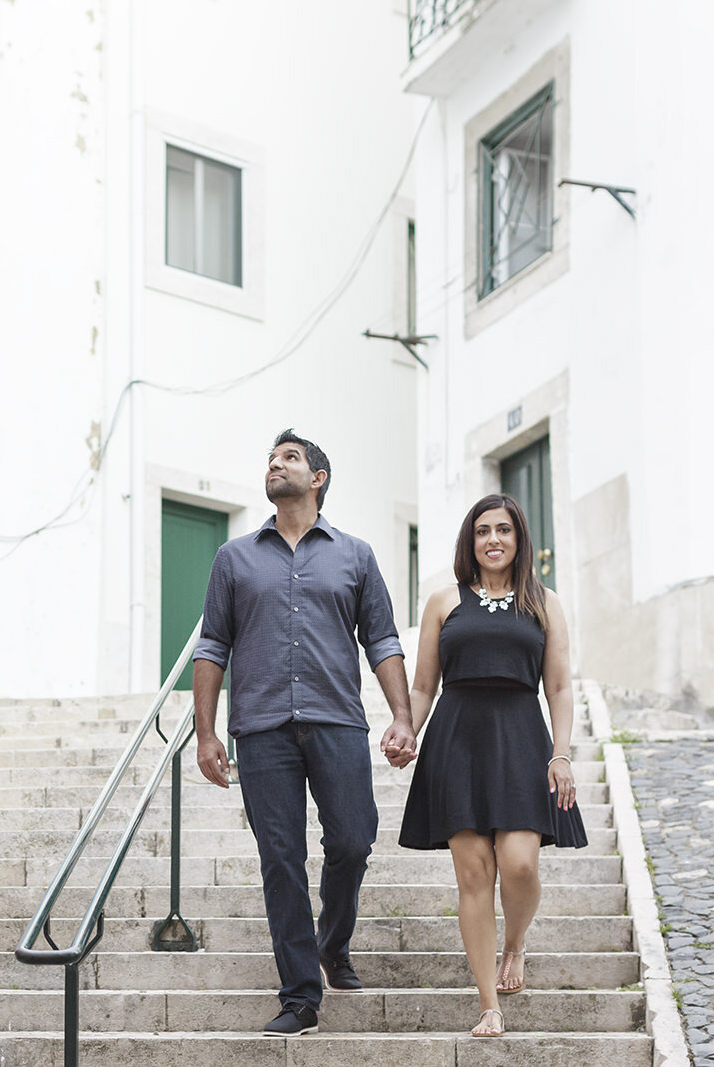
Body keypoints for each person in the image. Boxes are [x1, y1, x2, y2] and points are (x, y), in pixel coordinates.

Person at [192, 429, 416, 1038]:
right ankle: (300, 995)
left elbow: (382, 639)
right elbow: (213, 646)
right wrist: (205, 732)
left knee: (352, 840)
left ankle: (332, 941)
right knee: (281, 858)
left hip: (337, 719)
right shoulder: (233, 558)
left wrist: (402, 716)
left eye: (289, 458)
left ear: (317, 478)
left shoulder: (356, 555)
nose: (275, 465)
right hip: (260, 729)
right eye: (271, 458)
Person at [394, 493, 587, 1039]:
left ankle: (516, 943)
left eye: (503, 529)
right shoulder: (442, 602)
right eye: (482, 531)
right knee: (474, 875)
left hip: (523, 738)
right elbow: (425, 684)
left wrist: (562, 752)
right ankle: (488, 1006)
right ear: (470, 541)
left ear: (519, 538)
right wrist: (408, 728)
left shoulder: (545, 602)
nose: (493, 539)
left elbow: (560, 685)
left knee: (521, 862)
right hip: (457, 740)